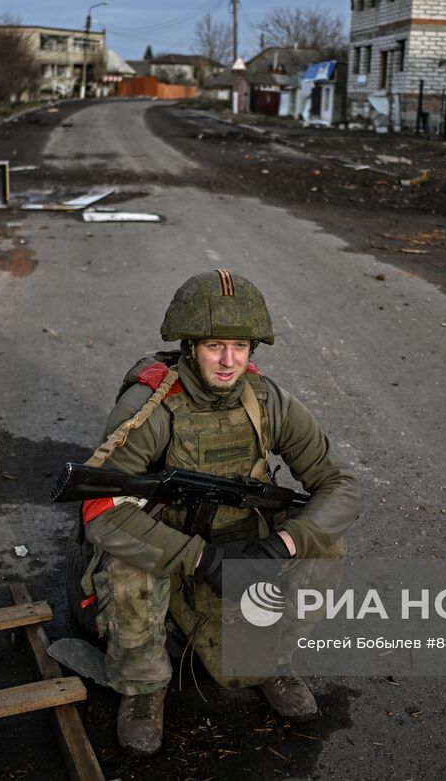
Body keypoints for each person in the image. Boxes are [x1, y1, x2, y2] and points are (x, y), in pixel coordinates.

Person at [75, 269, 361, 757]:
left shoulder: (269, 401)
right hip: (172, 553)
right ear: (189, 346)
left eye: (240, 346)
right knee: (128, 563)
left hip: (243, 550)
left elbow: (340, 484)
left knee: (324, 542)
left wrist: (279, 545)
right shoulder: (150, 407)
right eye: (214, 346)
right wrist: (200, 560)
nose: (229, 361)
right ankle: (143, 685)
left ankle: (269, 658)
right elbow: (101, 508)